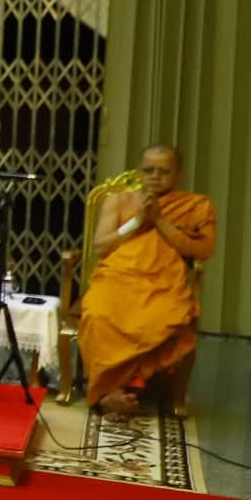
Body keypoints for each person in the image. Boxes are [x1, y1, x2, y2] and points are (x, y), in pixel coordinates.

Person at [78, 146, 216, 418]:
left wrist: (160, 221)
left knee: (159, 319)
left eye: (164, 171)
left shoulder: (196, 206)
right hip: (117, 277)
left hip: (164, 282)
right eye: (148, 170)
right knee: (98, 314)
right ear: (139, 172)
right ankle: (115, 393)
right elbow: (102, 246)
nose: (155, 177)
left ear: (179, 174)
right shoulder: (119, 201)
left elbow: (201, 251)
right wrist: (138, 221)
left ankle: (113, 393)